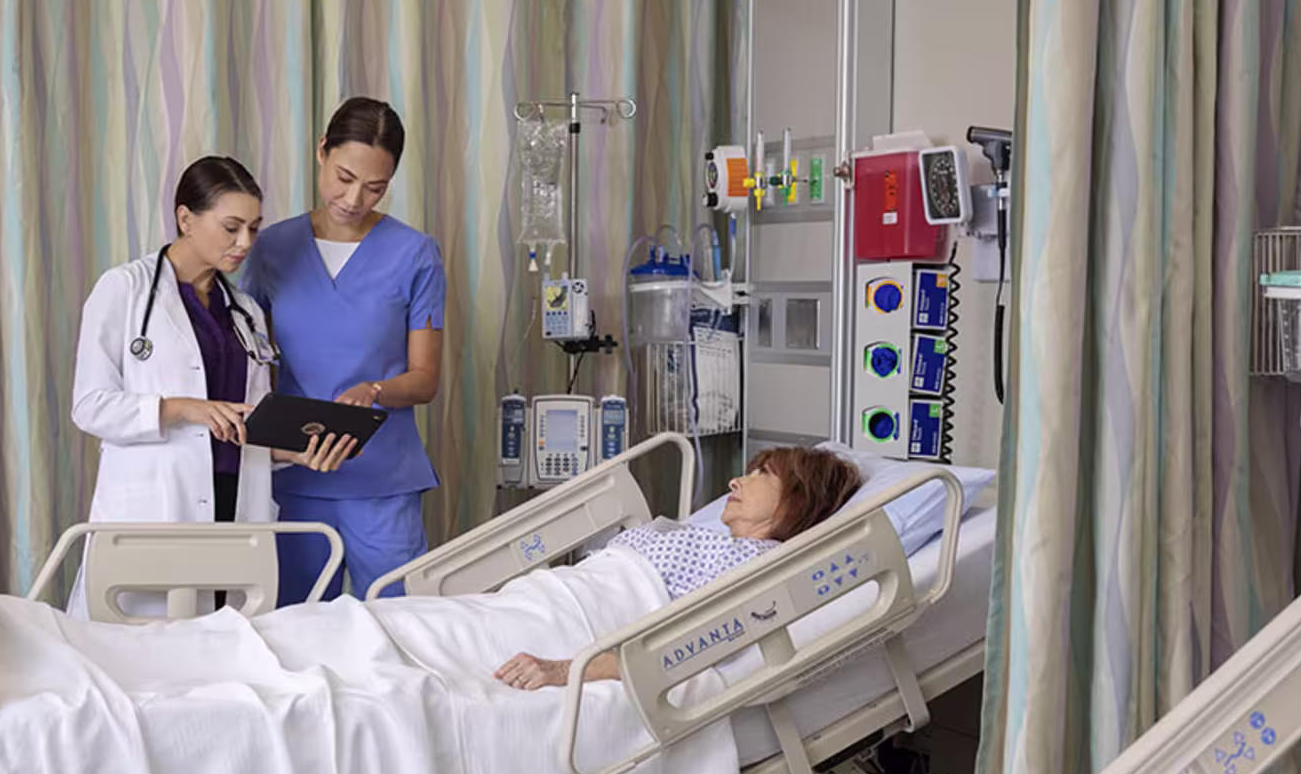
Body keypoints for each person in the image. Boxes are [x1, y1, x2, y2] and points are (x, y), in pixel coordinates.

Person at [70, 155, 353, 616]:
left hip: (236, 504)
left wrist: (295, 451)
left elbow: (249, 424)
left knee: (222, 655)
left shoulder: (245, 311)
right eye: (231, 227)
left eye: (254, 229)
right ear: (185, 218)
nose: (245, 243)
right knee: (135, 651)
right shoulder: (124, 291)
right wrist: (183, 408)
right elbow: (90, 406)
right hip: (160, 503)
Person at [241, 97, 448, 605]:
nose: (354, 198)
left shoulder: (414, 254)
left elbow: (425, 378)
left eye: (375, 187)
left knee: (404, 627)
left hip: (383, 480)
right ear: (321, 152)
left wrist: (375, 389)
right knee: (296, 634)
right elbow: (249, 363)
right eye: (344, 176)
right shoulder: (270, 248)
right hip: (296, 476)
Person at [493, 446, 863, 690]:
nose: (736, 481)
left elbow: (683, 649)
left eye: (762, 473)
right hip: (544, 600)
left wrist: (562, 671)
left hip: (571, 628)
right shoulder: (706, 540)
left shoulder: (758, 566)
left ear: (796, 501)